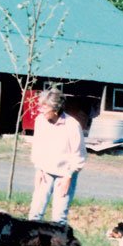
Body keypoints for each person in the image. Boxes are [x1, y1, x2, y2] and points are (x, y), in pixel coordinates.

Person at [28, 89, 86, 225]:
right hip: (44, 172)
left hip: (65, 175)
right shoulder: (40, 121)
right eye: (40, 106)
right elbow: (37, 147)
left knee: (59, 218)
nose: (40, 110)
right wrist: (38, 168)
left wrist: (69, 176)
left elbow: (78, 155)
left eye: (44, 106)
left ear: (56, 109)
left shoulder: (72, 125)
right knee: (35, 213)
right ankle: (32, 245)